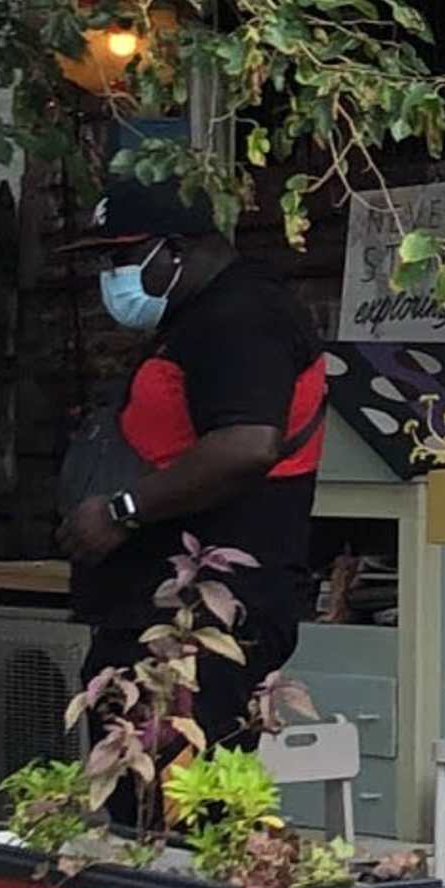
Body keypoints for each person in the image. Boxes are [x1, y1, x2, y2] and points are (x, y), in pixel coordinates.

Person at [56, 178, 326, 749]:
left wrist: (121, 510)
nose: (111, 274)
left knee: (180, 811)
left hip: (206, 624)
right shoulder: (197, 316)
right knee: (141, 806)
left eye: (123, 257)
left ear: (176, 249)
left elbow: (248, 444)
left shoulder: (243, 317)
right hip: (157, 621)